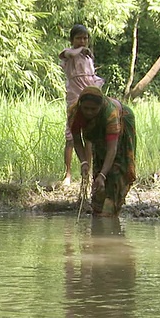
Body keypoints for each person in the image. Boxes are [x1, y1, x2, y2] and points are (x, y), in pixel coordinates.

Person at [68, 86, 136, 216]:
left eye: (93, 109)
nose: (89, 112)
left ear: (100, 107)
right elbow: (77, 140)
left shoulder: (110, 113)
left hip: (123, 121)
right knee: (99, 156)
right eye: (86, 108)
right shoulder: (74, 112)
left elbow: (112, 148)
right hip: (101, 136)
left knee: (119, 166)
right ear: (80, 105)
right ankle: (99, 203)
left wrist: (103, 175)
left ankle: (111, 204)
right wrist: (84, 162)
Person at [59, 24, 104, 186]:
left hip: (89, 100)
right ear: (72, 40)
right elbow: (68, 53)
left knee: (89, 137)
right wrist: (81, 49)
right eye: (78, 38)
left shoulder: (88, 57)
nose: (82, 41)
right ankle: (68, 174)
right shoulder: (68, 54)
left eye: (85, 38)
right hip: (74, 99)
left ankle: (87, 173)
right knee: (71, 137)